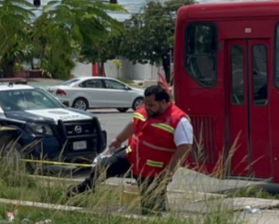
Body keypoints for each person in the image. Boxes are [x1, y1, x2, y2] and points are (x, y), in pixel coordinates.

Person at [69, 84, 193, 214]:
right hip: (131, 157)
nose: (147, 108)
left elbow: (185, 147)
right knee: (102, 168)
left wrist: (169, 172)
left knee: (150, 207)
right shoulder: (145, 110)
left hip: (152, 170)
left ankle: (154, 222)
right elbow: (134, 124)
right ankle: (78, 193)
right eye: (146, 104)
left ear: (163, 102)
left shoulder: (179, 121)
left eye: (151, 105)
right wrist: (118, 139)